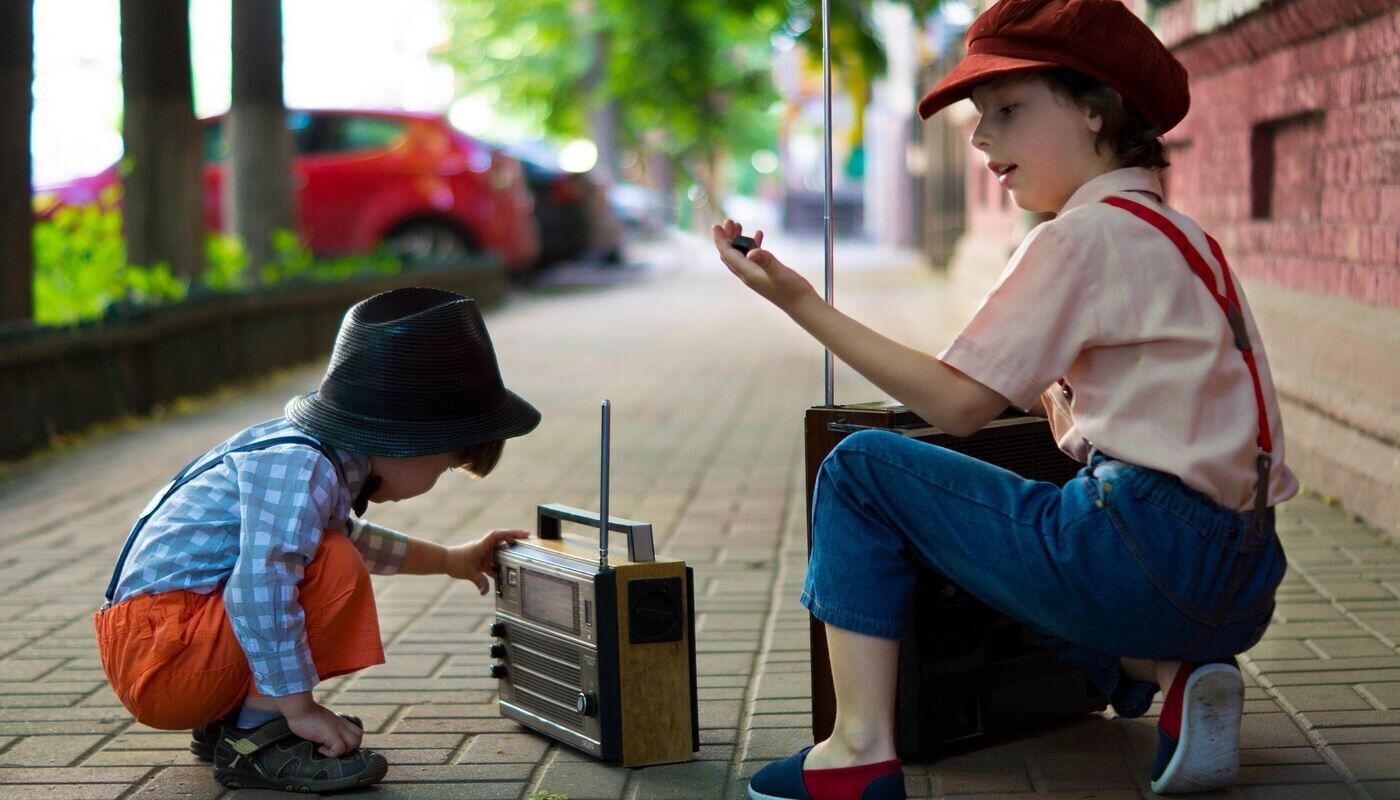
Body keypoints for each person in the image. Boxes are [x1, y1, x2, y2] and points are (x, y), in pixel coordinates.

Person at [714, 1, 1296, 797]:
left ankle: (855, 751)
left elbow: (957, 407)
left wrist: (800, 302)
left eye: (1009, 111)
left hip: (1145, 558)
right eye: (981, 119)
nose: (983, 140)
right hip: (1247, 574)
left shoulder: (1078, 237)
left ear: (1098, 109)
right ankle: (1181, 672)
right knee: (1028, 518)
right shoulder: (1186, 236)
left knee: (859, 470)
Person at [92, 287, 541, 793]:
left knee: (329, 551)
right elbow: (260, 584)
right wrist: (300, 710)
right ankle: (257, 739)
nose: (439, 479)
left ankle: (236, 721)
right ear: (414, 439)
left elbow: (356, 540)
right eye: (447, 466)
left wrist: (451, 560)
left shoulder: (311, 457)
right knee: (329, 563)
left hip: (162, 644)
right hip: (167, 659)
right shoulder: (303, 468)